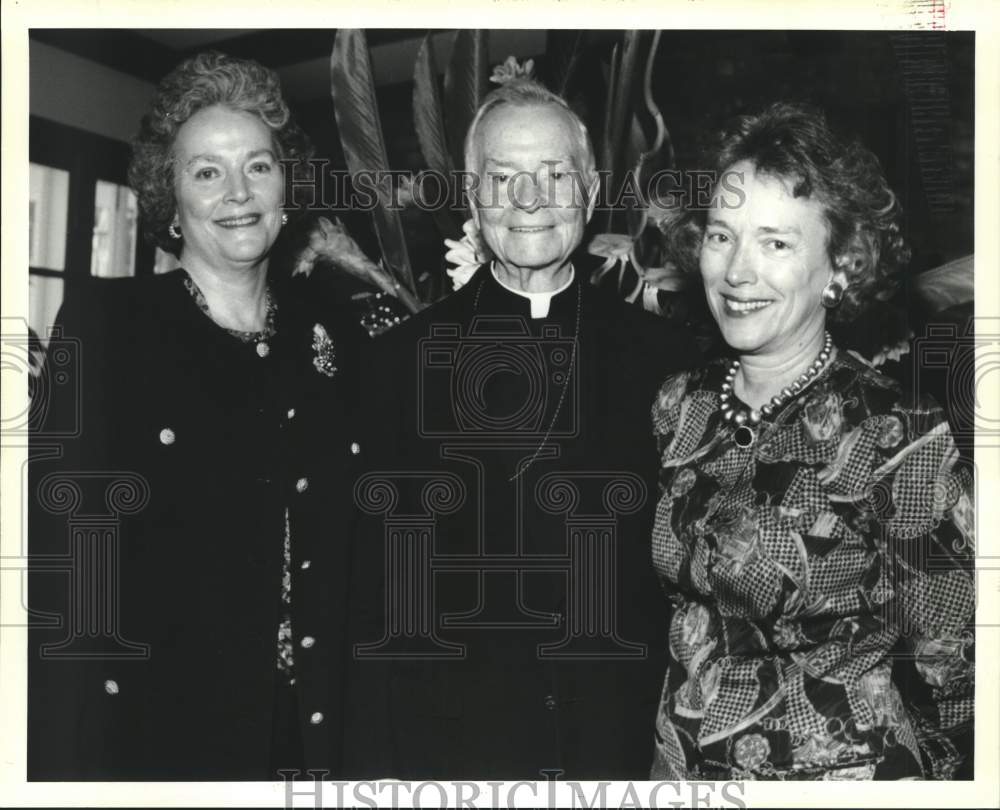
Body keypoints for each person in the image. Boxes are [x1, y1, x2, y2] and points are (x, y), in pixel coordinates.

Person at [345, 79, 701, 779]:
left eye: (554, 175)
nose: (530, 201)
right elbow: (370, 590)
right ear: (472, 197)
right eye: (504, 179)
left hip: (620, 737)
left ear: (592, 188)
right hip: (452, 745)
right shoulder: (395, 365)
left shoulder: (668, 361)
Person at [28, 51, 363, 780]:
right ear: (168, 196)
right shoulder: (107, 326)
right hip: (159, 732)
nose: (237, 193)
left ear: (286, 182)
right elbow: (62, 564)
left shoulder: (335, 332)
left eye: (258, 167)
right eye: (206, 171)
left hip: (311, 736)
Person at [649, 103, 975, 780]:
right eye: (721, 236)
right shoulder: (679, 405)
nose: (738, 271)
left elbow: (955, 668)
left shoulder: (896, 432)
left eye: (776, 243)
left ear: (841, 266)